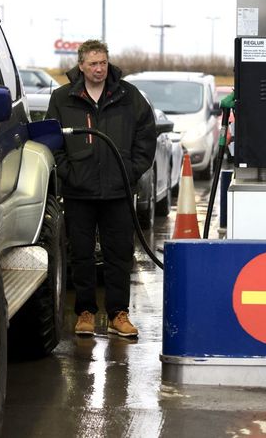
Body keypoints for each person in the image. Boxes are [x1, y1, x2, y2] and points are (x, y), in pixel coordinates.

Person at [46, 39, 155, 337]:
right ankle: (85, 313)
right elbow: (51, 141)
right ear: (81, 65)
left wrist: (130, 172)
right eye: (93, 63)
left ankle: (118, 314)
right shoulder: (63, 98)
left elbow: (147, 135)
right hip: (79, 192)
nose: (99, 69)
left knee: (118, 253)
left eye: (103, 63)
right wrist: (69, 174)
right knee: (80, 254)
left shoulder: (128, 96)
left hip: (117, 191)